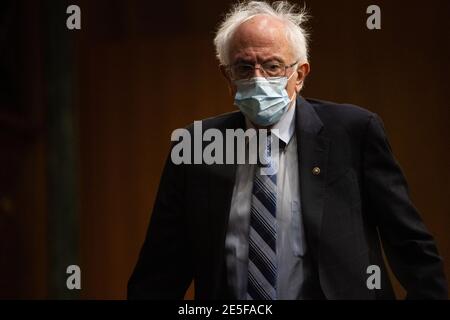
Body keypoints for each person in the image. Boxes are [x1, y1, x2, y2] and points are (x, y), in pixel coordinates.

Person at [128, 1, 447, 299]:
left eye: (272, 66)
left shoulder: (353, 132)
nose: (258, 79)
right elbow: (160, 270)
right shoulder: (197, 145)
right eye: (243, 67)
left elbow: (411, 246)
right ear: (227, 76)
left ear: (300, 75)